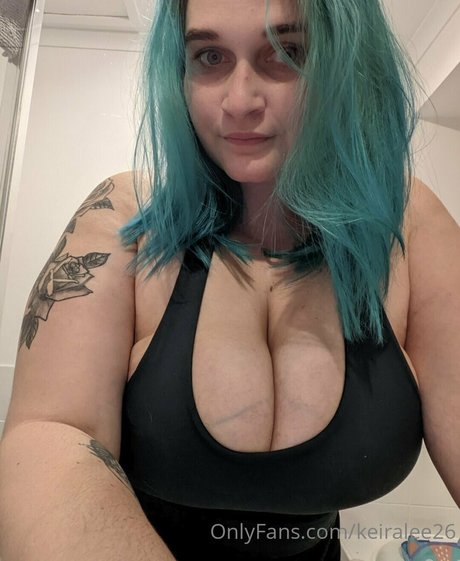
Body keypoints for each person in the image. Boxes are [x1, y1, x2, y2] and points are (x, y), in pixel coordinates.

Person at [0, 0, 459, 560]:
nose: (239, 101)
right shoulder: (126, 217)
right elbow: (50, 436)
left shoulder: (407, 226)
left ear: (349, 63)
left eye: (286, 52)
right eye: (210, 57)